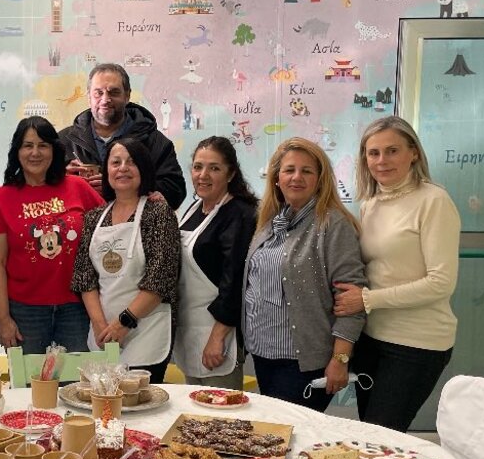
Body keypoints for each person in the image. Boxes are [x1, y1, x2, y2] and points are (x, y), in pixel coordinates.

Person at [333, 116, 460, 431]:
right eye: (373, 153)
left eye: (392, 151)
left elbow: (441, 283)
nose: (381, 161)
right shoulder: (371, 203)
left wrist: (367, 299)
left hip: (415, 343)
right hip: (371, 338)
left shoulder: (434, 201)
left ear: (413, 153)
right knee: (371, 434)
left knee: (383, 437)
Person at [243, 138, 367, 412]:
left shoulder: (333, 224)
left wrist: (341, 359)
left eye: (306, 171)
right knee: (274, 431)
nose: (296, 177)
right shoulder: (271, 222)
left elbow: (351, 301)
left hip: (302, 362)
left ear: (320, 180)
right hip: (264, 354)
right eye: (289, 170)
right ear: (277, 178)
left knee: (289, 432)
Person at [0, 116, 103, 354]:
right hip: (25, 312)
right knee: (30, 378)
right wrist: (2, 319)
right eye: (27, 146)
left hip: (77, 307)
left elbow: (113, 223)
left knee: (78, 377)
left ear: (54, 150)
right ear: (17, 152)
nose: (35, 153)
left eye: (43, 145)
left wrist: (147, 196)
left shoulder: (78, 187)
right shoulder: (1, 198)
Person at [71, 136, 181, 382]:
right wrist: (100, 325)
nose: (123, 168)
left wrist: (123, 323)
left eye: (131, 162)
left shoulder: (158, 212)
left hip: (146, 332)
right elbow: (84, 277)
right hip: (103, 334)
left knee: (140, 402)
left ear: (144, 168)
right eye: (115, 162)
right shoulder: (94, 217)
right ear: (106, 170)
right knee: (103, 402)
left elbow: (160, 279)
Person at [172, 137, 259, 389]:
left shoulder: (240, 214)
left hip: (218, 332)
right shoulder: (194, 209)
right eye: (198, 167)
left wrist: (217, 337)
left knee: (220, 408)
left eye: (214, 168)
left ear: (230, 174)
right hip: (189, 328)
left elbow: (236, 282)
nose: (203, 175)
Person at [58, 63, 187, 209]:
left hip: (135, 222)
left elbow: (175, 191)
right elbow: (42, 187)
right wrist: (60, 176)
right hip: (80, 222)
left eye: (114, 92)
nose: (105, 99)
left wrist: (120, 187)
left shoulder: (155, 141)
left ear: (127, 95)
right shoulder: (62, 141)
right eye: (98, 93)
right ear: (89, 97)